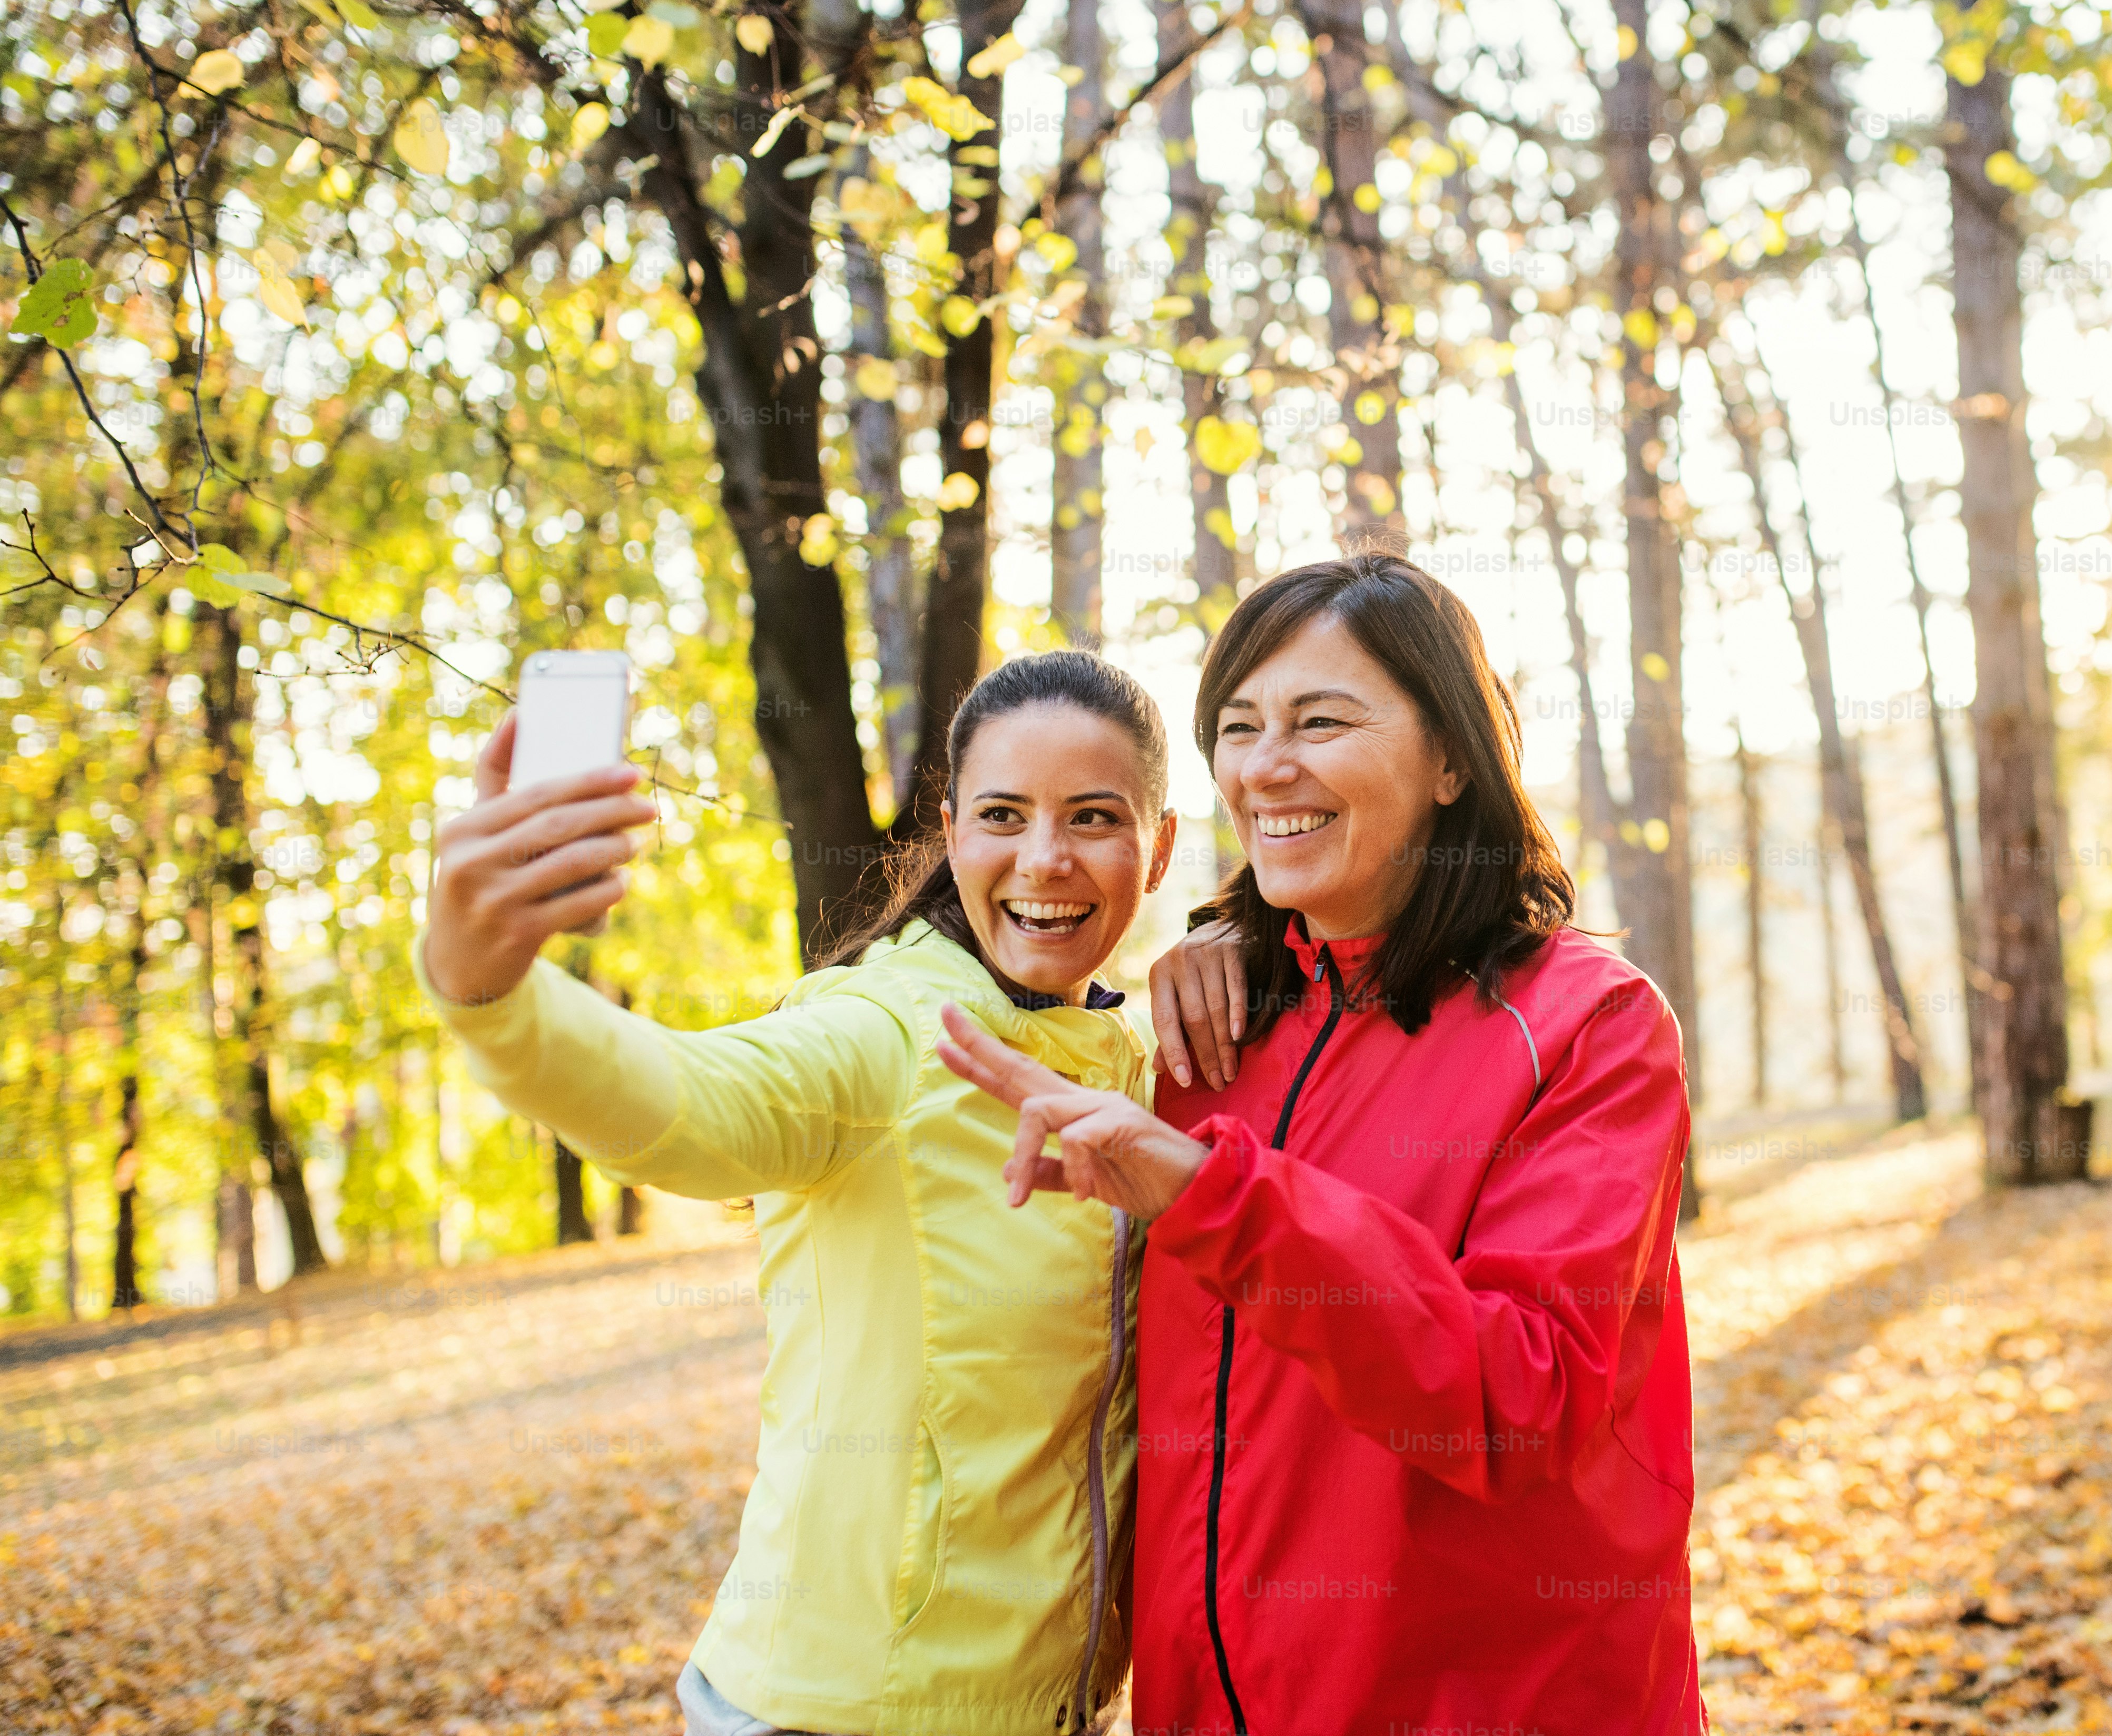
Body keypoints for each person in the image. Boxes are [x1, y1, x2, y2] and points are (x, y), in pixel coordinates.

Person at [932, 555, 1705, 1734]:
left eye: (1318, 720)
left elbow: (1521, 1401)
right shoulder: (1209, 1030)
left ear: (1452, 757)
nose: (1263, 765)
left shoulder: (1588, 1025)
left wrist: (1216, 1195)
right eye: (1237, 727)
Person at [416, 650, 1175, 1736]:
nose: (1045, 857)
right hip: (839, 1707)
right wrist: (488, 988)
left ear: (1160, 848)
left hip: (1052, 1708)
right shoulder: (881, 1037)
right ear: (952, 827)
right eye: (1003, 813)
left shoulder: (1141, 1064)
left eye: (1094, 816)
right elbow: (685, 1103)